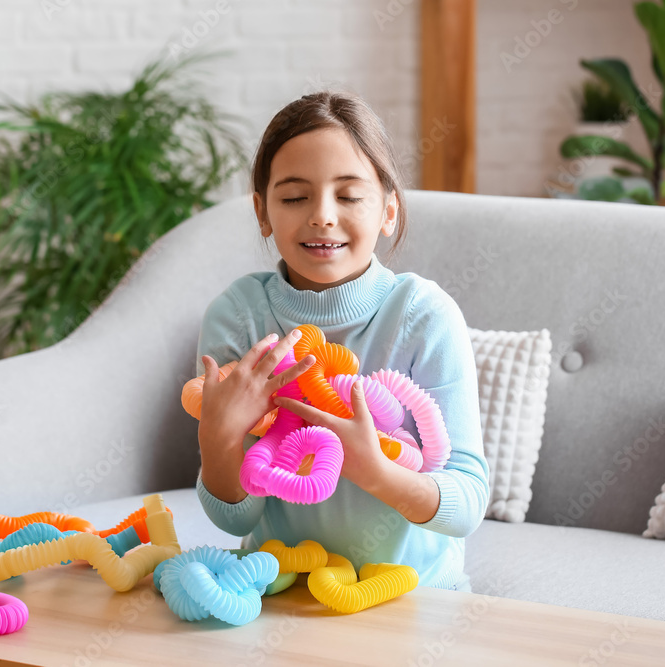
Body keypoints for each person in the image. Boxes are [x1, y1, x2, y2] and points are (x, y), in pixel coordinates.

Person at [195, 90, 489, 591]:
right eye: (293, 197)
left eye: (349, 195)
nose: (322, 215)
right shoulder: (239, 316)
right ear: (263, 212)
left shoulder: (424, 315)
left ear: (389, 210)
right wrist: (217, 438)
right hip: (285, 591)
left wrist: (373, 470)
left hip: (411, 595)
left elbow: (467, 502)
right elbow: (236, 521)